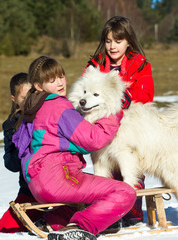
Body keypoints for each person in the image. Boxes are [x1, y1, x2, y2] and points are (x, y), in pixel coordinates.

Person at [12, 56, 136, 240]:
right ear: (38, 86)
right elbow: (93, 139)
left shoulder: (32, 108)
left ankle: (52, 221)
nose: (60, 83)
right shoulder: (57, 106)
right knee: (125, 192)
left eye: (61, 76)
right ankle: (80, 227)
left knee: (87, 194)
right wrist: (115, 111)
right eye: (51, 80)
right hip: (58, 178)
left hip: (37, 183)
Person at [85, 15, 154, 227]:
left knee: (130, 166)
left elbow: (146, 93)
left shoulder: (139, 64)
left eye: (118, 41)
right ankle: (108, 212)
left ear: (128, 41)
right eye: (108, 41)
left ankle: (131, 211)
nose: (112, 46)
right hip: (102, 127)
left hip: (129, 126)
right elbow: (86, 90)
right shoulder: (95, 65)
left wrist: (129, 97)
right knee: (104, 169)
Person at [0, 73, 44, 233]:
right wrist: (21, 147)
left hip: (53, 180)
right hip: (29, 189)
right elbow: (10, 164)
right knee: (3, 227)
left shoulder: (45, 114)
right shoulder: (10, 125)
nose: (29, 101)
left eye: (31, 96)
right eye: (24, 98)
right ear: (14, 98)